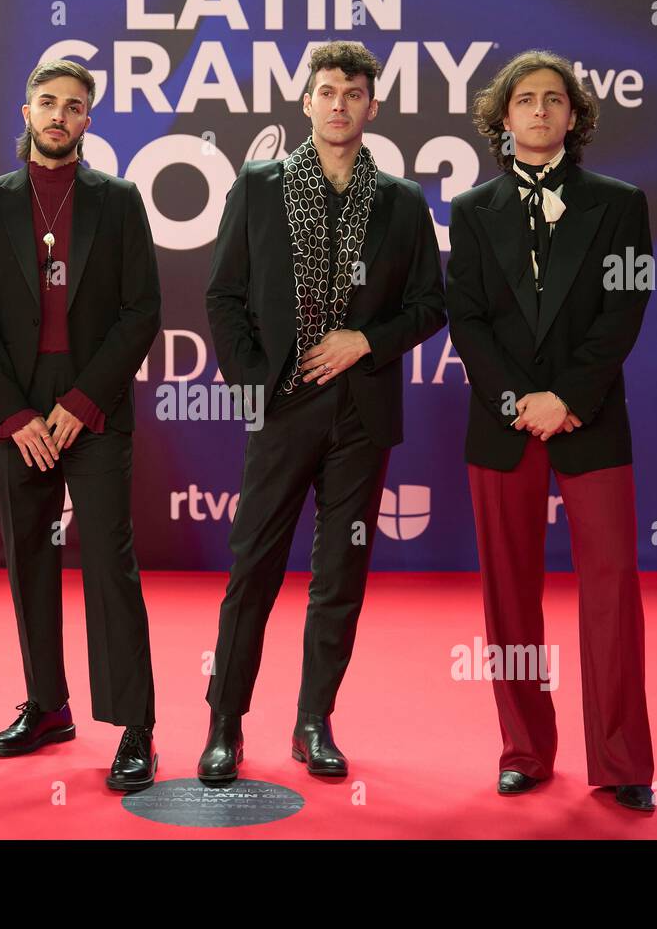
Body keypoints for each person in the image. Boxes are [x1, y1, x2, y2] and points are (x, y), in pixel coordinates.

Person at [197, 41, 446, 783]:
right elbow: (224, 297)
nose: (339, 103)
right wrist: (257, 388)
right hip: (282, 408)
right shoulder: (259, 185)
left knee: (341, 573)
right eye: (326, 90)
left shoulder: (402, 202)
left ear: (373, 106)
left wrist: (364, 340)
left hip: (362, 414)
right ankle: (224, 723)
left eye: (353, 92)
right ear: (306, 102)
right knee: (253, 570)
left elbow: (431, 306)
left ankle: (314, 720)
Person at [446, 50, 656, 811]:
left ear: (575, 116)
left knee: (611, 588)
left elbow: (624, 312)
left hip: (591, 417)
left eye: (553, 100)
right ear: (503, 118)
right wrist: (518, 402)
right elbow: (465, 320)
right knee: (511, 596)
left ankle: (623, 759)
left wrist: (565, 397)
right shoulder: (471, 211)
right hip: (503, 425)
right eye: (525, 100)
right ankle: (526, 750)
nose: (539, 111)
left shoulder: (621, 202)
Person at [0, 60, 162, 791]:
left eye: (74, 107)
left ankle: (135, 724)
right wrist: (15, 416)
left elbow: (142, 310)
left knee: (109, 560)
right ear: (26, 109)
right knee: (30, 560)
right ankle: (48, 706)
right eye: (48, 102)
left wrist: (81, 403)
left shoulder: (121, 200)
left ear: (88, 120)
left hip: (93, 398)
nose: (59, 115)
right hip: (18, 404)